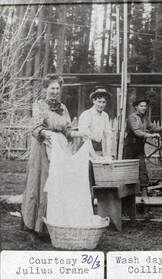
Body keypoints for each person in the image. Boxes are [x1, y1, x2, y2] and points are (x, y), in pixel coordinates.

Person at [21, 75, 84, 234]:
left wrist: (77, 134)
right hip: (43, 149)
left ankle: (55, 223)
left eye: (57, 88)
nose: (55, 91)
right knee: (42, 184)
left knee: (58, 184)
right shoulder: (40, 105)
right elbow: (35, 127)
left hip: (59, 150)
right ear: (46, 89)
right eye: (52, 88)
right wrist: (45, 133)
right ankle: (36, 225)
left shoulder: (63, 108)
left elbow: (67, 129)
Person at [123, 99, 162, 196]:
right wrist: (150, 135)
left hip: (139, 145)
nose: (144, 108)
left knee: (142, 167)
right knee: (127, 168)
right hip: (130, 146)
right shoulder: (132, 118)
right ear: (136, 107)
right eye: (141, 106)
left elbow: (152, 127)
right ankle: (127, 192)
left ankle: (143, 191)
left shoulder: (145, 118)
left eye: (145, 106)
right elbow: (136, 131)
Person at [78, 87, 112, 159]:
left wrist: (108, 155)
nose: (101, 105)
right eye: (99, 101)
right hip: (85, 148)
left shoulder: (105, 116)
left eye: (104, 102)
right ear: (94, 101)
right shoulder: (87, 114)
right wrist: (95, 156)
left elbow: (107, 136)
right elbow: (85, 138)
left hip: (98, 149)